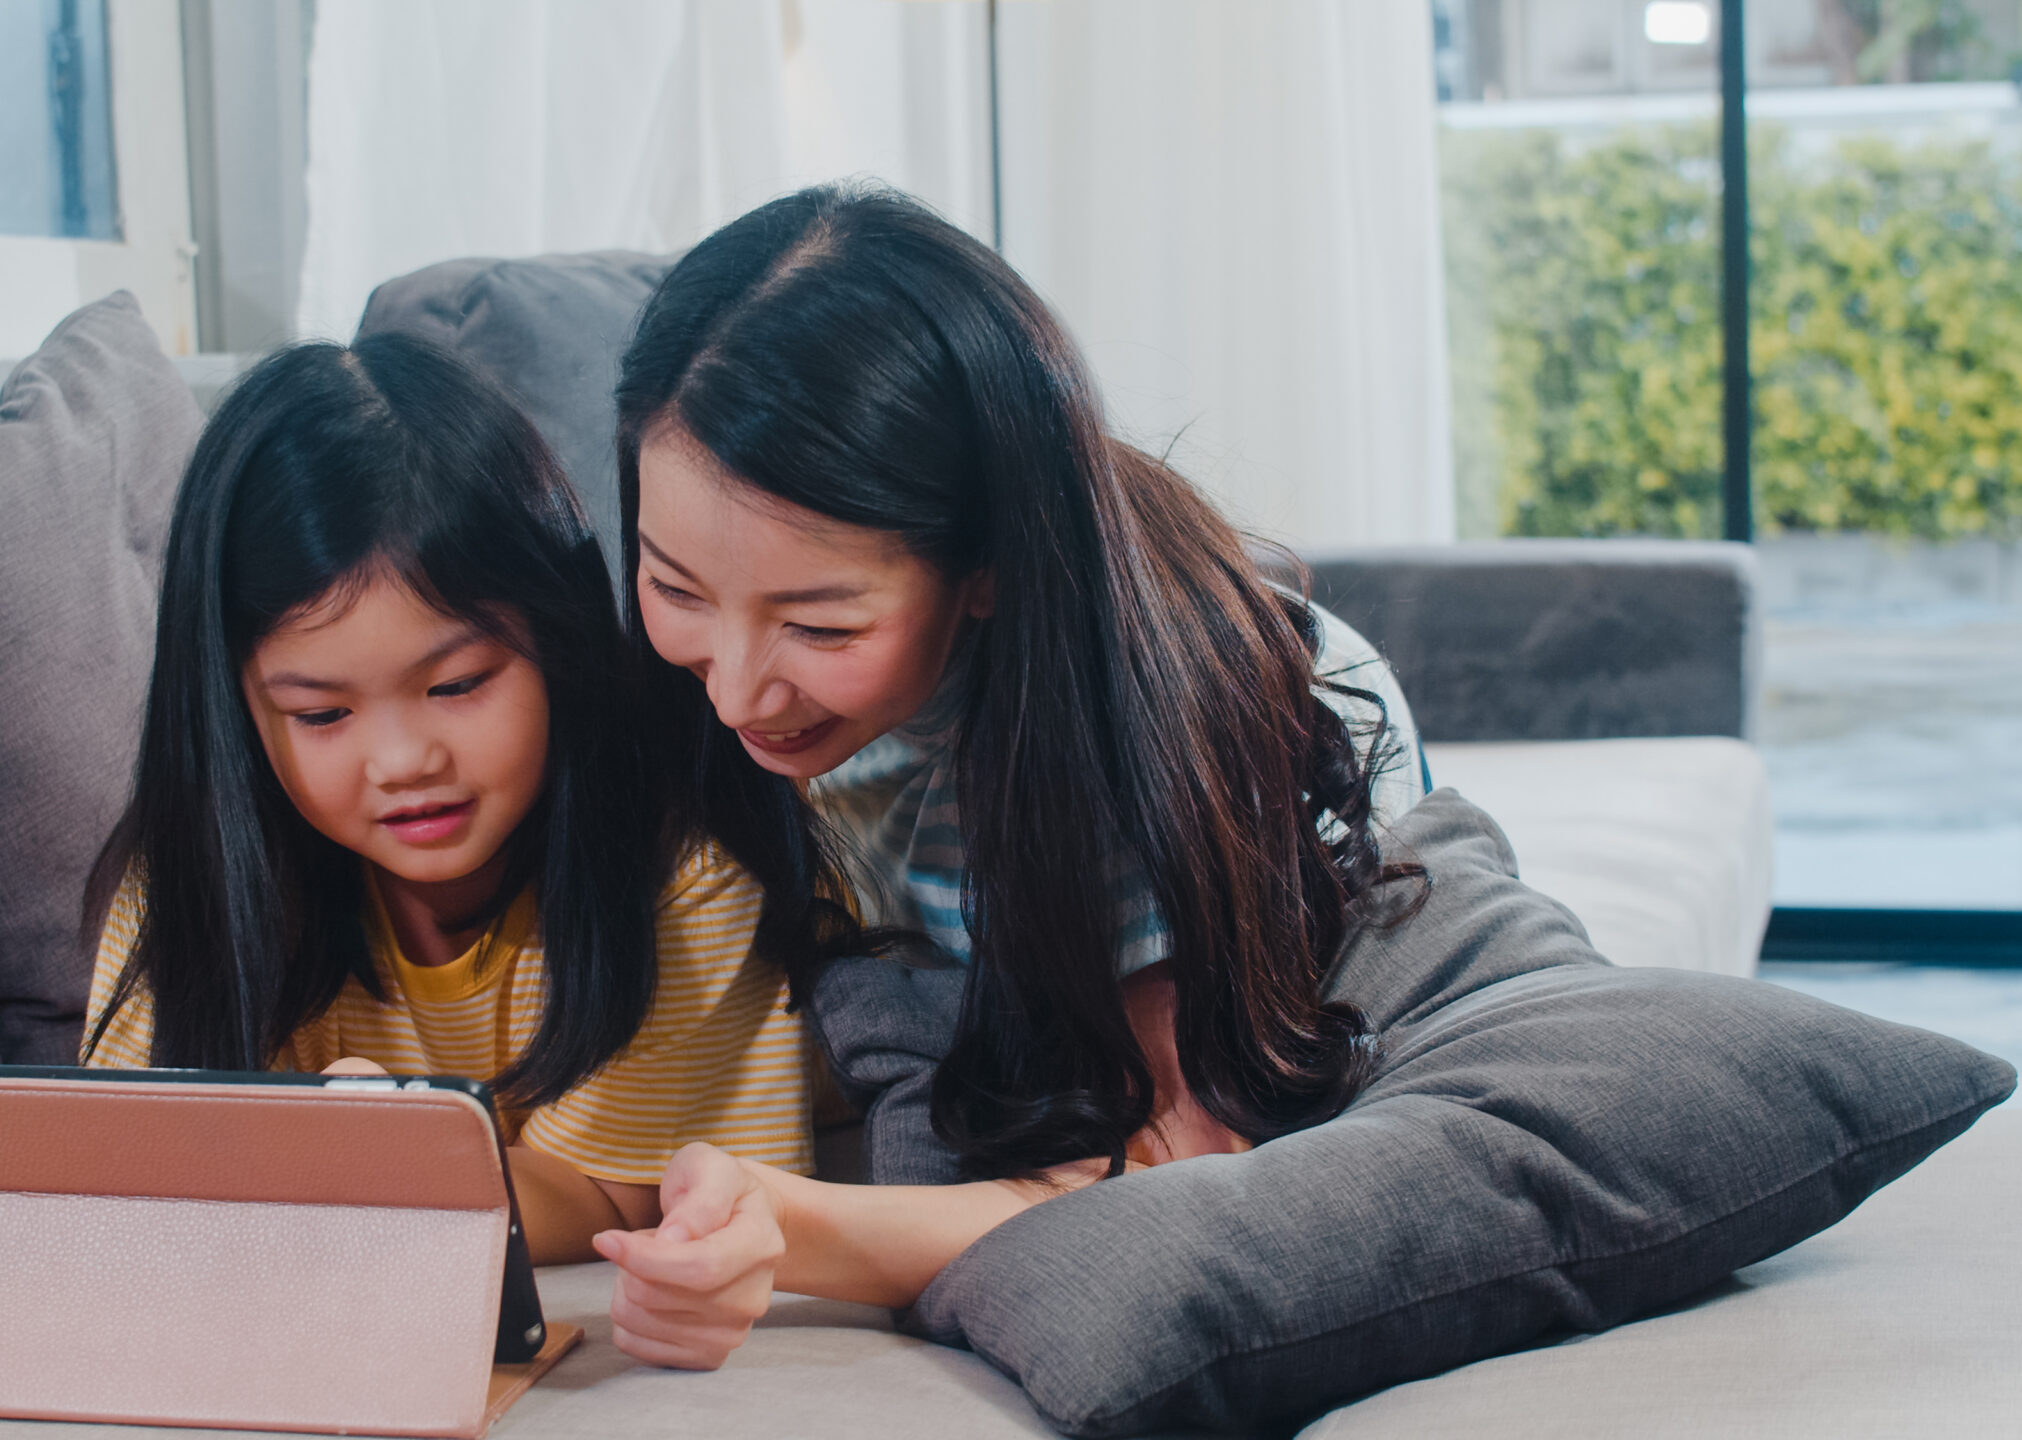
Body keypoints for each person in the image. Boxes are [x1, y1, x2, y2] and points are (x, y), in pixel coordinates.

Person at [585, 184, 1427, 1367]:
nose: (731, 693)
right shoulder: (708, 676)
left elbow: (1169, 1162)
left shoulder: (1134, 732)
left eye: (820, 628)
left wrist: (792, 1231)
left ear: (987, 566)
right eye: (675, 589)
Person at [64, 333, 815, 1264]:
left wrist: (393, 1160)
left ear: (558, 641)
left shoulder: (682, 871)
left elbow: (625, 1199)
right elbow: (102, 1154)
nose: (402, 762)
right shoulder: (197, 870)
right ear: (237, 713)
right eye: (322, 712)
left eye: (457, 685)